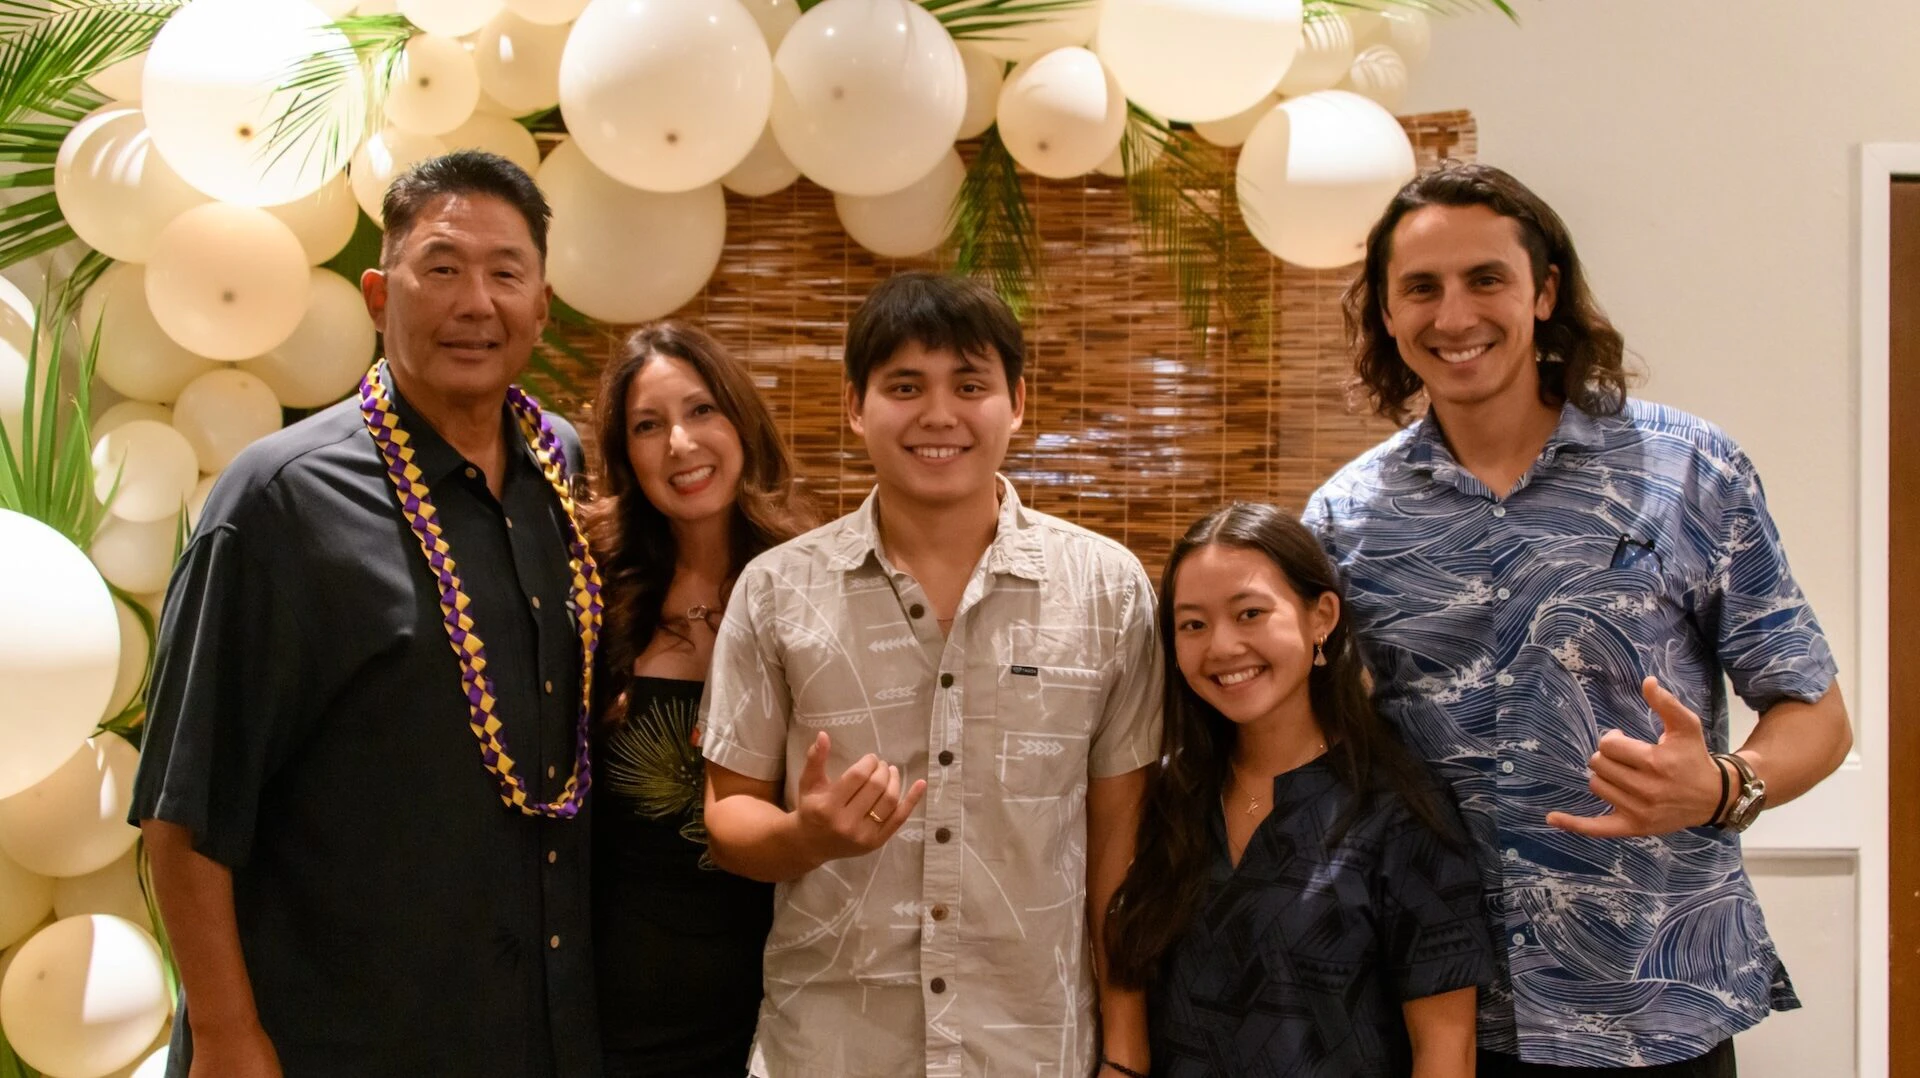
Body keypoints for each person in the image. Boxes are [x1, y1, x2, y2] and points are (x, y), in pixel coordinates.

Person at [1303, 162, 1853, 1077]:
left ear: (1544, 291)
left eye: (1486, 279)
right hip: (1441, 1019)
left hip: (1655, 1001)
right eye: (1421, 289)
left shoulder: (1691, 472)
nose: (1454, 316)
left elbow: (1818, 717)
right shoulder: (1345, 520)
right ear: (1388, 315)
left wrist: (1721, 785)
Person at [130, 151, 601, 1078]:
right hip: (345, 1035)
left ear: (542, 305)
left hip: (536, 1031)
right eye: (443, 267)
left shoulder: (560, 467)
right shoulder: (279, 500)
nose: (477, 302)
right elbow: (186, 810)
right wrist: (227, 1037)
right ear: (380, 294)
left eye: (507, 273)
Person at [698, 271, 1163, 1078]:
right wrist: (804, 836)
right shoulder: (778, 591)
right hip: (831, 1050)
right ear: (855, 405)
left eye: (970, 384)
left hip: (1032, 1048)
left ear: (1017, 401)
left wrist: (1124, 1049)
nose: (939, 415)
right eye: (905, 385)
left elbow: (1119, 847)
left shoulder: (1106, 590)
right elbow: (728, 817)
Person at [1106, 502, 1489, 1078]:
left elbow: (1446, 1054)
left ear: (1322, 617)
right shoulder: (1166, 797)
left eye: (1251, 613)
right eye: (1193, 624)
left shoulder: (1399, 809)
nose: (1222, 646)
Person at [584, 321, 815, 1077]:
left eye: (701, 411)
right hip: (622, 999)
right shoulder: (591, 593)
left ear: (741, 421)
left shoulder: (813, 588)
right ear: (628, 457)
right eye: (649, 426)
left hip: (787, 992)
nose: (680, 444)